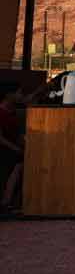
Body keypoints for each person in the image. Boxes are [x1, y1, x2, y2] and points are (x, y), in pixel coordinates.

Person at [0, 83, 23, 214]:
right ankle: (6, 201)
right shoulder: (1, 112)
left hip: (12, 148)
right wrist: (16, 149)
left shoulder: (13, 112)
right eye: (18, 92)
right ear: (9, 95)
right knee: (19, 162)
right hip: (4, 148)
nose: (20, 96)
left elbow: (18, 134)